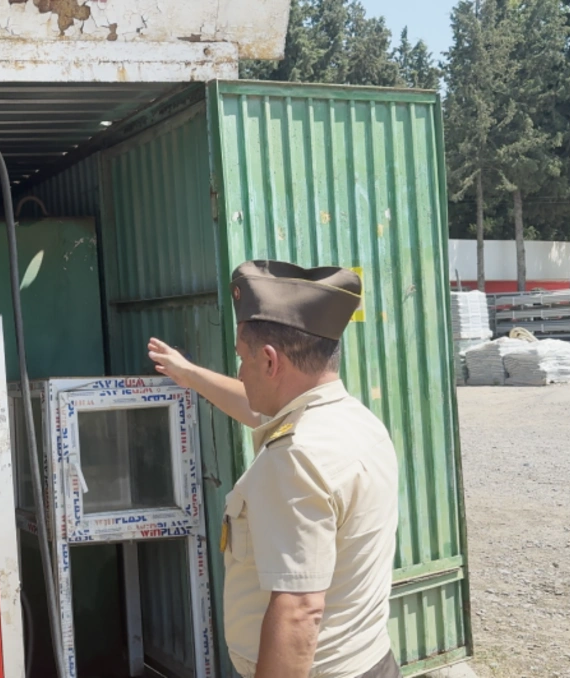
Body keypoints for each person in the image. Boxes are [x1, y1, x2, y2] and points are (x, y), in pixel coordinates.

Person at [148, 260, 401, 678]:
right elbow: (259, 409)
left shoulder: (296, 458)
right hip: (370, 660)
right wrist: (190, 374)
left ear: (270, 361)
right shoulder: (352, 422)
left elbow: (299, 612)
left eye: (241, 359)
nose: (239, 372)